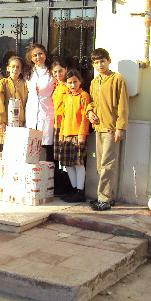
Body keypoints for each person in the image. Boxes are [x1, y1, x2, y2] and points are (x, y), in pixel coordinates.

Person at [86, 48, 129, 211]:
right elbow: (92, 103)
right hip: (99, 128)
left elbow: (123, 106)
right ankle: (108, 196)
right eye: (96, 62)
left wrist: (120, 127)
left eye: (102, 61)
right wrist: (89, 113)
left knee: (108, 164)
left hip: (111, 128)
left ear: (108, 61)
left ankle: (103, 199)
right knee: (100, 165)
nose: (99, 65)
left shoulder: (117, 80)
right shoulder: (95, 82)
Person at [57, 69, 91, 203]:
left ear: (80, 81)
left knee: (78, 163)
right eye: (70, 82)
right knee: (68, 164)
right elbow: (63, 117)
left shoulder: (83, 96)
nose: (72, 85)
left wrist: (82, 134)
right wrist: (61, 134)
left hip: (77, 134)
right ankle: (73, 188)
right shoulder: (65, 96)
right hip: (66, 134)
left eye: (75, 82)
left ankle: (80, 191)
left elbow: (84, 117)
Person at [24, 43, 56, 161]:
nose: (38, 57)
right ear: (31, 58)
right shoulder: (29, 73)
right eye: (35, 55)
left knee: (45, 147)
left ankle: (47, 177)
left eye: (40, 54)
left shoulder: (51, 72)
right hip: (32, 112)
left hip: (46, 111)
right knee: (32, 147)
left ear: (45, 54)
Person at [0, 55, 27, 147]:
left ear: (21, 70)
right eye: (13, 67)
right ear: (8, 68)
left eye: (18, 67)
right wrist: (0, 121)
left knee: (17, 147)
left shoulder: (24, 84)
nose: (15, 69)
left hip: (19, 122)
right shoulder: (3, 83)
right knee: (5, 147)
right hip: (6, 122)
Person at [51, 58, 72, 197]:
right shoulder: (56, 86)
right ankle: (60, 185)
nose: (58, 74)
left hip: (65, 125)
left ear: (66, 70)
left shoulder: (68, 86)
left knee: (66, 158)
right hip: (56, 124)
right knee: (59, 157)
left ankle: (69, 186)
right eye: (55, 72)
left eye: (60, 71)